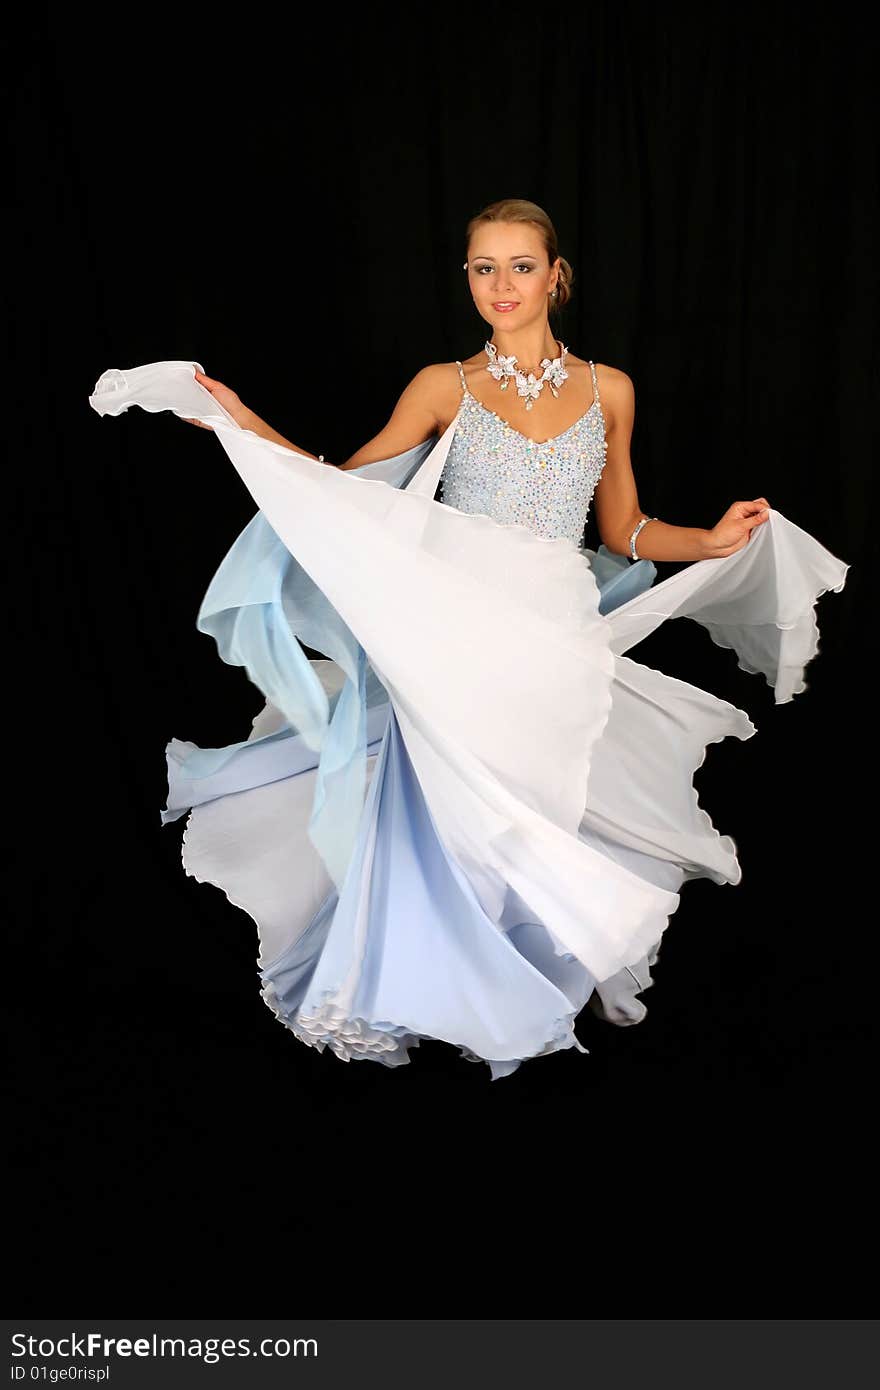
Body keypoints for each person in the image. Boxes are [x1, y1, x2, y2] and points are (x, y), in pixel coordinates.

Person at [90, 198, 849, 1080]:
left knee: (531, 810)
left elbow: (626, 530)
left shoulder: (611, 391)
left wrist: (710, 541)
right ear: (467, 278)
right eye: (482, 268)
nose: (500, 285)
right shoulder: (442, 386)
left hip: (553, 631)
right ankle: (429, 982)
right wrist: (243, 426)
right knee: (446, 805)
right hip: (454, 626)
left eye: (519, 266)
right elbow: (350, 489)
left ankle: (519, 974)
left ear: (555, 275)